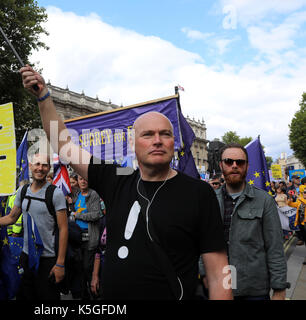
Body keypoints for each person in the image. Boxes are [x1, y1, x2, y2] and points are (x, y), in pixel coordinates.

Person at [20, 65, 232, 300]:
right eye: (148, 135)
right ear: (133, 144)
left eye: (165, 134)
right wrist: (43, 98)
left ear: (175, 143)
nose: (158, 141)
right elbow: (64, 147)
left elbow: (218, 272)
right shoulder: (118, 178)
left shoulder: (199, 192)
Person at [214, 143, 288, 300]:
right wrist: (202, 274)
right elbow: (202, 243)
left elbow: (275, 247)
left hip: (254, 290)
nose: (234, 166)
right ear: (221, 165)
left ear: (247, 166)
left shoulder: (264, 200)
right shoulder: (209, 200)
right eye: (228, 161)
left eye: (240, 162)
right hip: (217, 286)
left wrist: (279, 288)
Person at [0, 153, 68, 300]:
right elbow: (11, 218)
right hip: (26, 257)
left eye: (44, 165)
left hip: (48, 259)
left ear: (49, 168)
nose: (40, 168)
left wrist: (60, 263)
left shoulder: (55, 194)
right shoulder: (23, 191)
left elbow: (64, 229)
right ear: (30, 166)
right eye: (37, 164)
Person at [71, 175, 103, 299]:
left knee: (88, 267)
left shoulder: (93, 194)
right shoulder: (77, 194)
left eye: (85, 179)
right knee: (79, 269)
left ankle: (96, 294)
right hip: (77, 238)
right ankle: (84, 296)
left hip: (90, 238)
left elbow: (96, 215)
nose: (83, 181)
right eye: (80, 179)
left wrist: (78, 216)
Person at [288, 185, 306, 253]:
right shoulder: (299, 200)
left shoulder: (301, 199)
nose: (304, 194)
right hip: (301, 223)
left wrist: (298, 196)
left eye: (305, 192)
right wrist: (290, 196)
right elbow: (290, 204)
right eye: (304, 192)